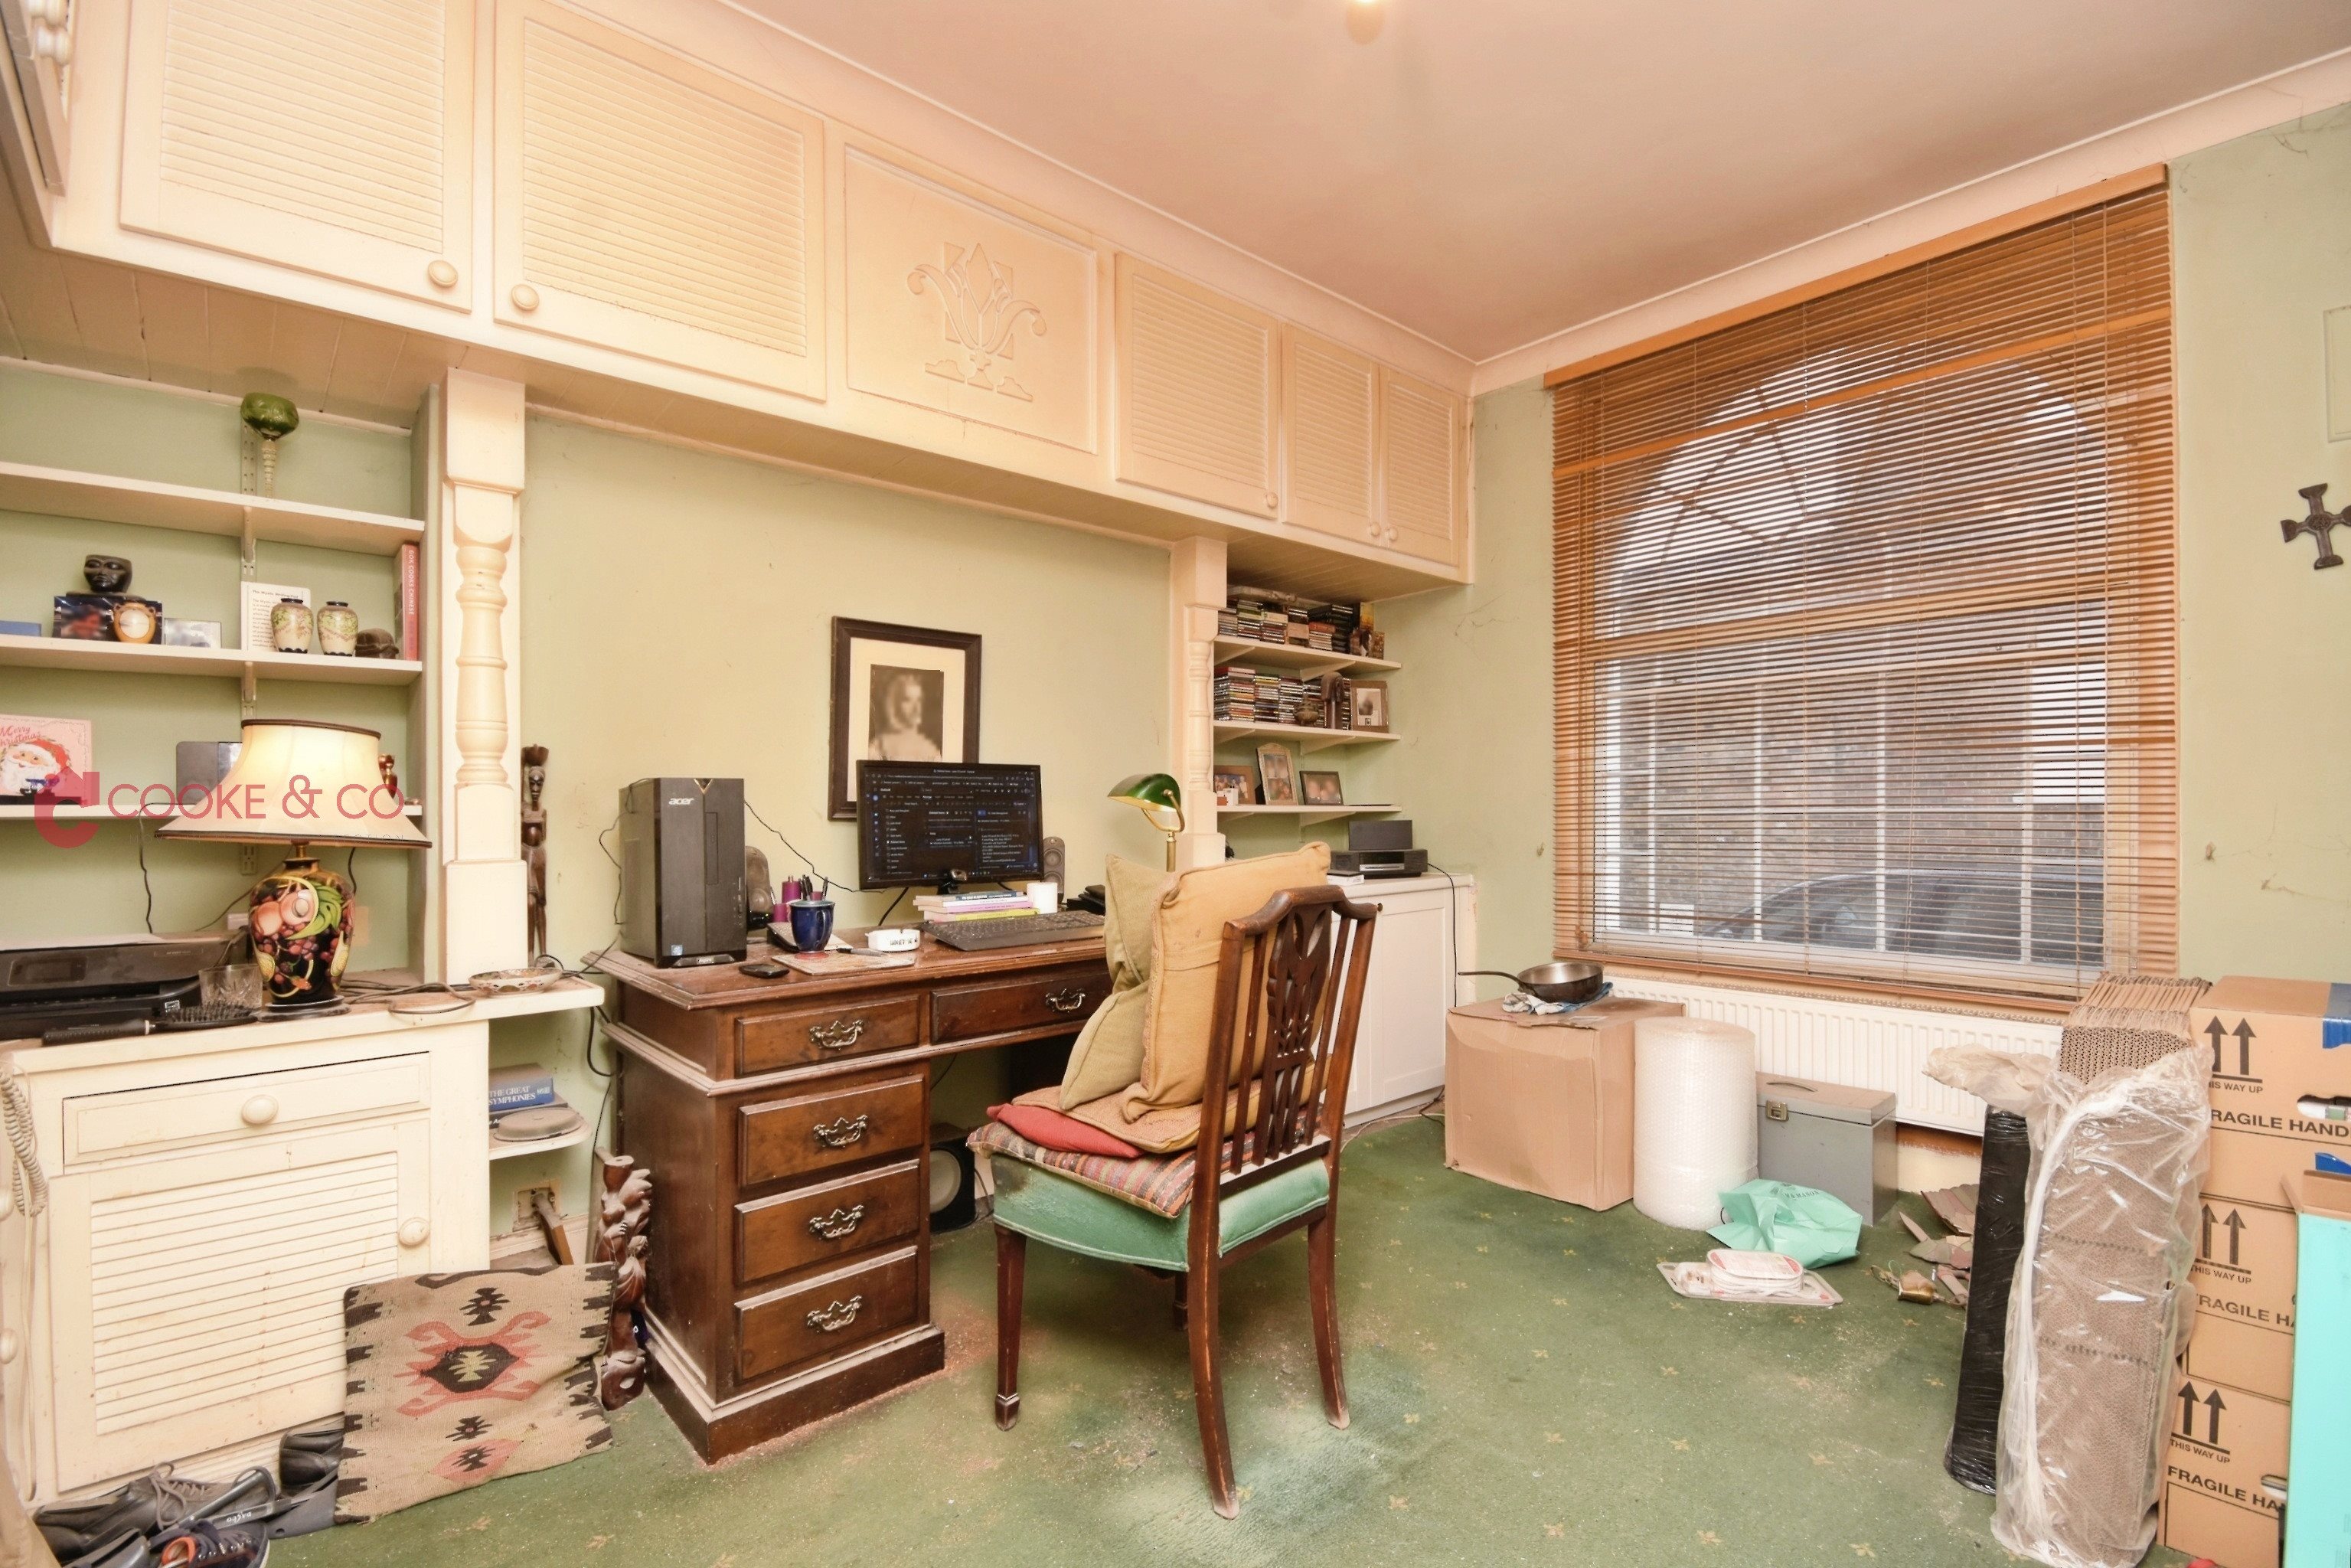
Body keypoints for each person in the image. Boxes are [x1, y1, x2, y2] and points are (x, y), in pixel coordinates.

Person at [869, 669, 943, 761]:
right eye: (907, 700)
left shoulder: (930, 750)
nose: (916, 708)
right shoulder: (876, 749)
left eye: (919, 700)